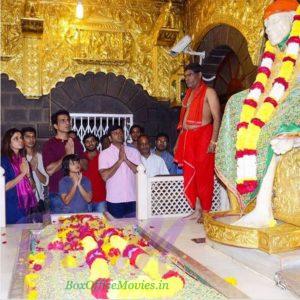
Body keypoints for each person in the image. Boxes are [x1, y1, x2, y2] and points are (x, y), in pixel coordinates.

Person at [216, 0, 300, 227]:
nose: (267, 30)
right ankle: (240, 202)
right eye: (266, 24)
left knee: (266, 130)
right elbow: (265, 88)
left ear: (292, 21)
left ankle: (263, 209)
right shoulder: (275, 56)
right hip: (278, 103)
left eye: (273, 22)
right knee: (236, 104)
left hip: (294, 106)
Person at [174, 63, 221, 223]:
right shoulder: (188, 94)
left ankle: (206, 212)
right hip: (188, 137)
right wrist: (178, 142)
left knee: (204, 175)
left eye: (190, 75)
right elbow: (183, 121)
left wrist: (214, 140)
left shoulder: (209, 92)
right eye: (185, 76)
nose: (187, 78)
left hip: (204, 135)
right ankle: (197, 209)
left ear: (199, 75)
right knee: (191, 174)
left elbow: (217, 117)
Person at [42, 110, 86, 213]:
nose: (67, 123)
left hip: (78, 191)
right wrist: (66, 154)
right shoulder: (49, 144)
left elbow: (85, 165)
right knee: (61, 226)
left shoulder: (75, 142)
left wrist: (75, 157)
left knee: (79, 226)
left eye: (68, 120)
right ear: (56, 126)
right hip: (58, 193)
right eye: (63, 121)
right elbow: (50, 171)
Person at [99, 125, 141, 218]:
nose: (119, 135)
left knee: (134, 228)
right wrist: (119, 161)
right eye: (115, 133)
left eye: (121, 132)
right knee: (117, 229)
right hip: (114, 200)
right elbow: (104, 176)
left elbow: (140, 172)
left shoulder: (134, 152)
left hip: (133, 198)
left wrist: (126, 160)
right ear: (110, 138)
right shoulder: (104, 154)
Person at [1, 128, 37, 224]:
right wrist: (22, 174)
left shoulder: (24, 161)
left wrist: (28, 175)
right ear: (8, 142)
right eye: (16, 138)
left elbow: (33, 188)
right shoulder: (4, 161)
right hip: (12, 206)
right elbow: (4, 187)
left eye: (21, 138)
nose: (20, 140)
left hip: (27, 207)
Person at [22, 127, 49, 211]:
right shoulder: (20, 158)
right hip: (25, 201)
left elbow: (45, 181)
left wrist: (35, 169)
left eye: (33, 137)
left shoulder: (39, 156)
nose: (31, 139)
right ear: (22, 139)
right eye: (28, 137)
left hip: (39, 201)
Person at [83, 133, 106, 213]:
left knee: (102, 223)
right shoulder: (81, 158)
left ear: (96, 142)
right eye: (87, 141)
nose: (90, 143)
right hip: (85, 199)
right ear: (84, 144)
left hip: (101, 198)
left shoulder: (103, 156)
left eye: (92, 141)